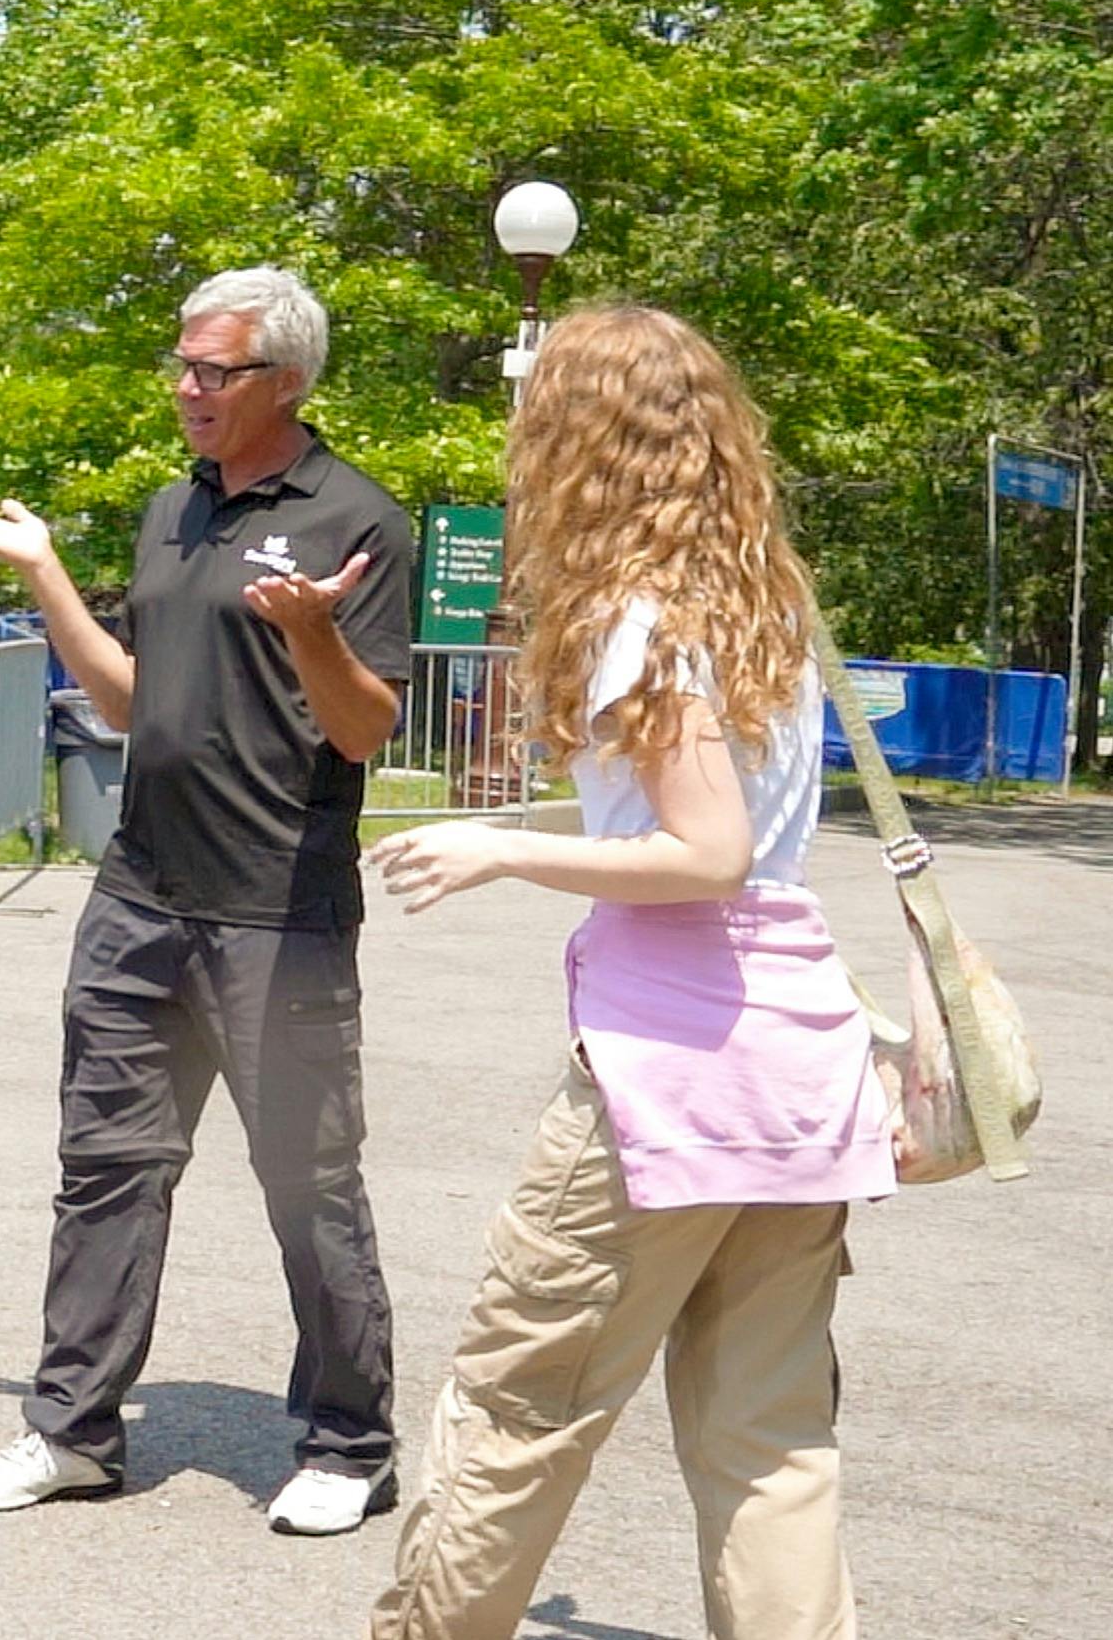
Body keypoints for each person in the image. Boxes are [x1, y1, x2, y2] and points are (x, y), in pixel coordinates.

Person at [363, 306, 897, 1639]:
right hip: (795, 1063)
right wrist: (515, 830)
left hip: (663, 1078)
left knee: (517, 1405)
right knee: (768, 1443)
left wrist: (501, 854)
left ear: (573, 440)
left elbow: (702, 849)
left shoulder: (637, 623)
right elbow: (727, 838)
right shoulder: (765, 606)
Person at [0, 266, 412, 1536]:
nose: (189, 389)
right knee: (104, 1169)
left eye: (216, 371)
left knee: (305, 1182)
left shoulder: (357, 518)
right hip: (140, 898)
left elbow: (364, 728)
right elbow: (130, 705)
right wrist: (44, 571)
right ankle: (72, 1432)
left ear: (287, 381)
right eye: (183, 366)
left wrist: (314, 631)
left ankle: (350, 1442)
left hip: (278, 913)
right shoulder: (170, 512)